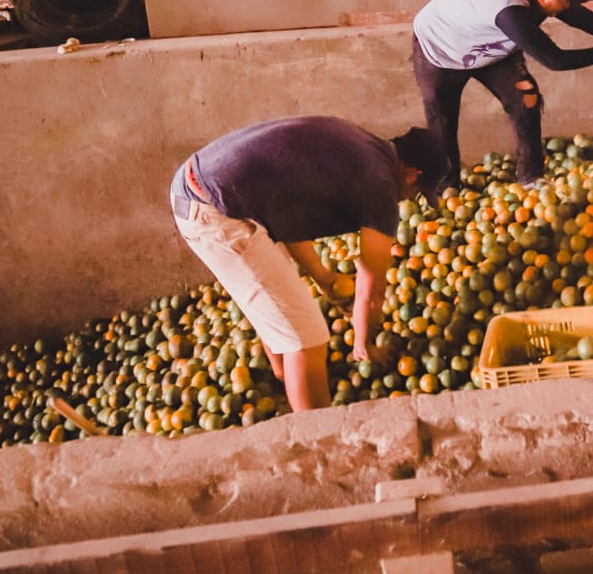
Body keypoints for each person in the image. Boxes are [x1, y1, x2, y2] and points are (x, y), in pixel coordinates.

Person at [170, 117, 446, 412]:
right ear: (413, 175)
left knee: (282, 303)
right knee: (307, 339)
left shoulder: (362, 145)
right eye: (418, 192)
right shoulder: (380, 185)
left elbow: (285, 216)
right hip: (214, 207)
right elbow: (372, 289)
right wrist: (364, 346)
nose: (411, 199)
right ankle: (315, 438)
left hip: (203, 184)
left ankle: (282, 380)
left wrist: (324, 278)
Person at [411, 0, 593, 190]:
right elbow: (555, 59)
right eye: (564, 0)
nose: (568, 5)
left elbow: (580, 16)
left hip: (489, 43)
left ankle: (530, 178)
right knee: (442, 121)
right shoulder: (510, 10)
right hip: (440, 48)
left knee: (525, 99)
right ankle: (447, 189)